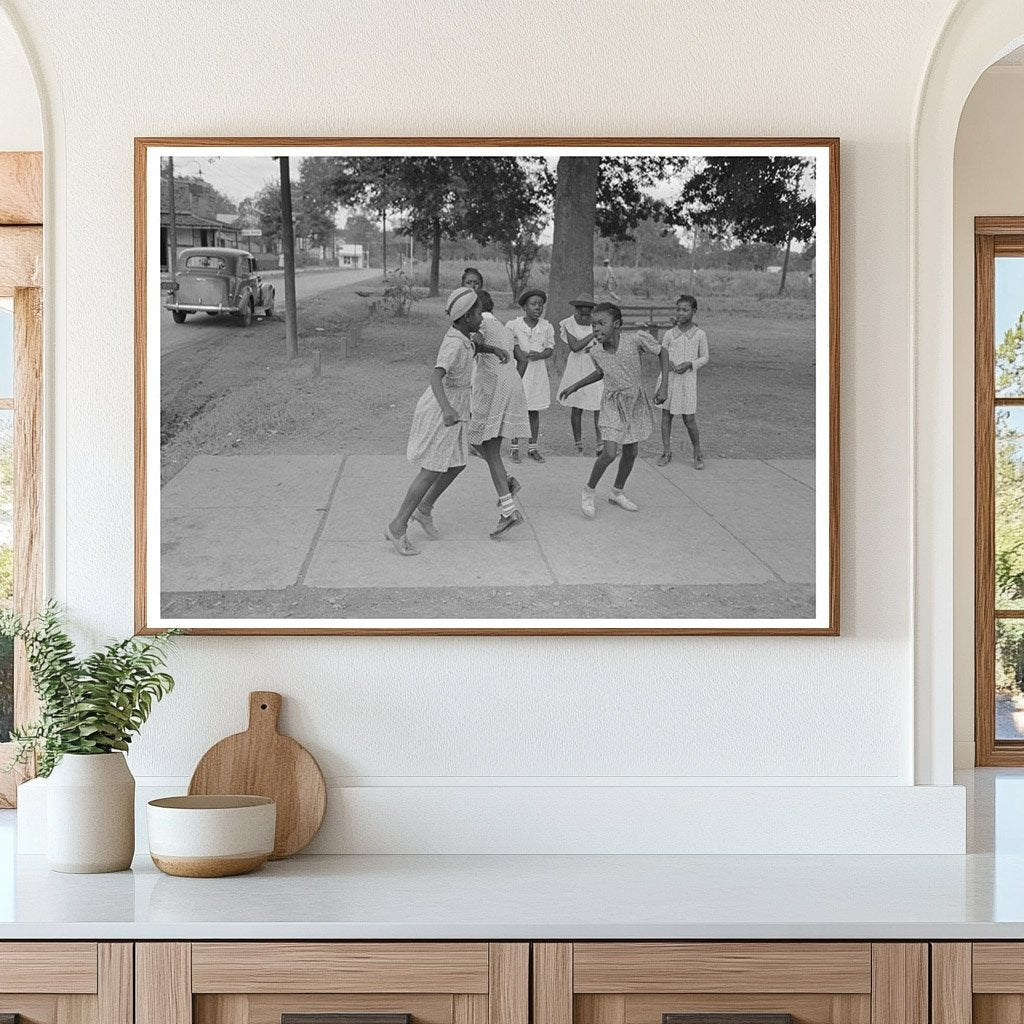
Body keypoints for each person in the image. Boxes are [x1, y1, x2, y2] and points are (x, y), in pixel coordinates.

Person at [385, 287, 510, 555]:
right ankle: (397, 526)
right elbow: (435, 377)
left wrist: (493, 349)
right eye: (478, 313)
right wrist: (447, 410)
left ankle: (424, 509)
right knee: (431, 469)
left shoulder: (465, 336)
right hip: (444, 408)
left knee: (456, 464)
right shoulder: (454, 344)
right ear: (466, 317)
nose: (482, 317)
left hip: (458, 406)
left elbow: (474, 347)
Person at [559, 303, 668, 518]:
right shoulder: (596, 351)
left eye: (601, 323)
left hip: (634, 402)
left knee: (631, 452)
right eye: (593, 325)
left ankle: (617, 491)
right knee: (609, 452)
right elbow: (601, 373)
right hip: (611, 403)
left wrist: (664, 384)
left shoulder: (635, 339)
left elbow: (662, 351)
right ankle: (588, 491)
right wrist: (575, 386)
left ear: (616, 324)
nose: (595, 329)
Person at [469, 290, 530, 537]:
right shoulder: (506, 328)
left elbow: (473, 345)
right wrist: (511, 380)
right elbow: (522, 359)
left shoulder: (479, 324)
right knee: (476, 442)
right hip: (510, 385)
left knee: (489, 450)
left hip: (493, 389)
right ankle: (507, 482)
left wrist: (484, 350)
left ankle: (508, 511)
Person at [656, 294, 709, 469]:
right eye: (678, 309)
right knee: (666, 415)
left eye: (685, 310)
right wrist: (668, 362)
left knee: (689, 418)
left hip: (687, 380)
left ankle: (697, 452)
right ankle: (666, 451)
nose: (680, 313)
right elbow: (662, 353)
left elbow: (705, 357)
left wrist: (690, 364)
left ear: (694, 311)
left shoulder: (700, 334)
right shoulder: (670, 334)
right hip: (669, 379)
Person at [507, 288, 555, 463]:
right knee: (516, 410)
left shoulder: (546, 326)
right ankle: (514, 448)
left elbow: (550, 348)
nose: (538, 308)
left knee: (534, 411)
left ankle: (532, 447)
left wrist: (540, 354)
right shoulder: (514, 325)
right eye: (533, 304)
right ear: (524, 307)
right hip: (520, 371)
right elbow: (510, 342)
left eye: (540, 305)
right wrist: (519, 352)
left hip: (537, 373)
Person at [556, 293, 603, 456]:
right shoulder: (569, 323)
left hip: (594, 365)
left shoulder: (598, 323)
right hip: (577, 366)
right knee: (577, 405)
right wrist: (592, 335)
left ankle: (600, 443)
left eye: (587, 314)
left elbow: (603, 343)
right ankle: (578, 444)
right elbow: (575, 347)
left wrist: (596, 347)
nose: (584, 317)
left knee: (598, 404)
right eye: (581, 313)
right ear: (575, 311)